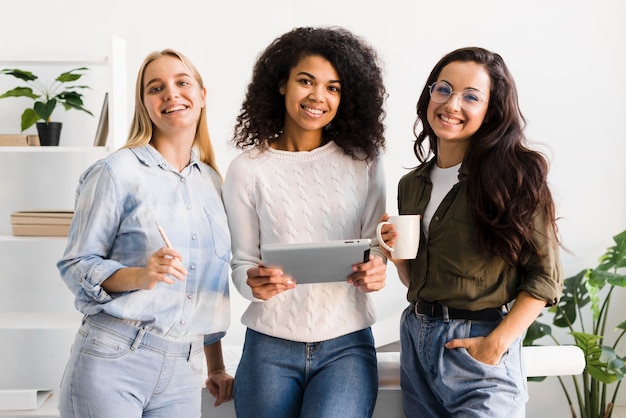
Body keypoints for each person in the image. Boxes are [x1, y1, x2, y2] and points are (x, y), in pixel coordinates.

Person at [378, 47, 563, 417]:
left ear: (491, 109)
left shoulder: (515, 176)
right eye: (443, 89)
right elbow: (420, 280)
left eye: (471, 96)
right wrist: (396, 256)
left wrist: (496, 344)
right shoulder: (410, 184)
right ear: (429, 95)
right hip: (417, 335)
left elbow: (545, 278)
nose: (451, 104)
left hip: (478, 347)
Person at [56, 49, 233, 417]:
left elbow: (208, 284)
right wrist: (142, 275)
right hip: (114, 358)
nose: (171, 93)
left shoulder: (213, 182)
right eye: (156, 88)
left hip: (185, 370)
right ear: (145, 104)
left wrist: (214, 365)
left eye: (182, 83)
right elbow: (75, 264)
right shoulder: (115, 172)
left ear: (201, 95)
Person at [223, 26, 388, 418]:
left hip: (346, 343)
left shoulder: (365, 160)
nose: (318, 96)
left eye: (333, 87)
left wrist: (378, 268)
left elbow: (376, 245)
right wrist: (254, 284)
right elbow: (242, 262)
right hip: (269, 345)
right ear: (282, 84)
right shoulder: (248, 170)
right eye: (306, 81)